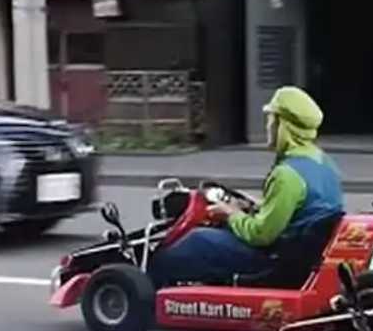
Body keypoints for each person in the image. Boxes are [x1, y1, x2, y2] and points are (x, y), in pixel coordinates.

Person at [146, 86, 344, 288]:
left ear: (283, 125)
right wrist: (256, 207)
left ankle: (150, 298)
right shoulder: (324, 162)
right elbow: (298, 210)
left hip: (273, 259)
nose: (267, 126)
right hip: (302, 253)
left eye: (271, 119)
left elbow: (261, 234)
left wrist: (230, 214)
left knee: (197, 240)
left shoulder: (287, 175)